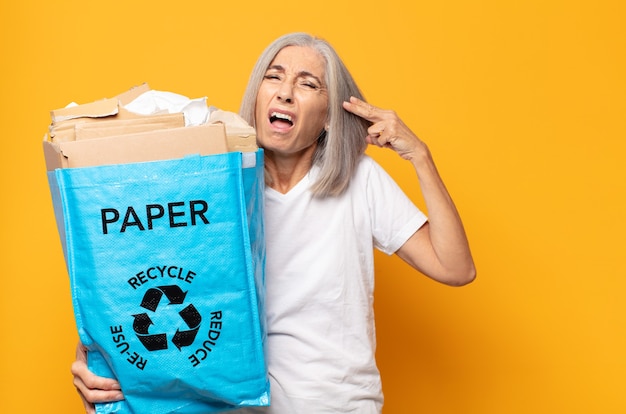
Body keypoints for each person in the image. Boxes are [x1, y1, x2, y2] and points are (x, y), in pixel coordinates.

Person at [71, 32, 476, 413]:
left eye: (307, 83)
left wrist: (420, 156)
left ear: (332, 115)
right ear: (259, 95)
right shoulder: (213, 192)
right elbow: (153, 277)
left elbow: (455, 268)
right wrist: (96, 358)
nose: (284, 91)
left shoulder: (360, 181)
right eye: (274, 77)